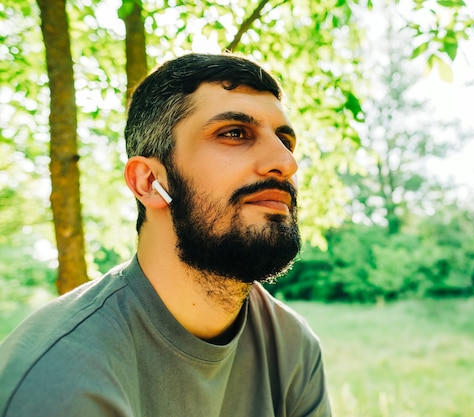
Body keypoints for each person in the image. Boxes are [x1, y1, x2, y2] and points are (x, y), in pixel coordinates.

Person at [0, 53, 331, 417]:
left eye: (285, 140)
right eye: (234, 133)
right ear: (149, 183)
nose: (286, 163)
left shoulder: (291, 348)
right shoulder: (59, 380)